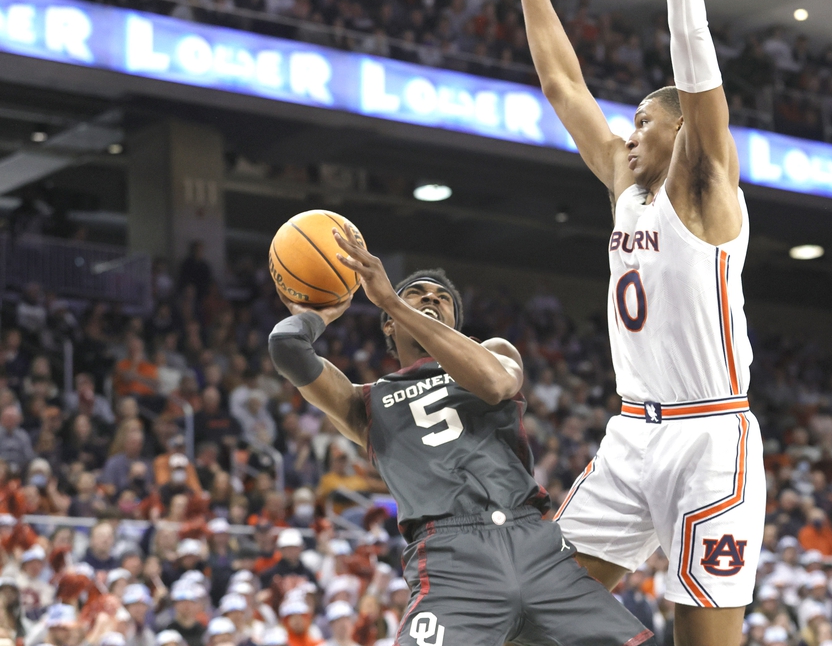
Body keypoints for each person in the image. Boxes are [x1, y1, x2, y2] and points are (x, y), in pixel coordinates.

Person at [509, 0, 763, 643]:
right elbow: (562, 84)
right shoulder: (626, 182)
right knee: (529, 615)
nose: (628, 131)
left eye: (643, 119)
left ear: (683, 130)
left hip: (710, 438)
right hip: (632, 434)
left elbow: (694, 52)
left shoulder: (710, 190)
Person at [267, 227, 655, 646]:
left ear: (458, 327)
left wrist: (395, 302)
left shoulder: (494, 351)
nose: (431, 297)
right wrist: (325, 307)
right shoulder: (366, 403)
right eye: (417, 292)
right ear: (387, 327)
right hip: (450, 560)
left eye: (442, 297)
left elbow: (494, 384)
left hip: (537, 548)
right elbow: (287, 345)